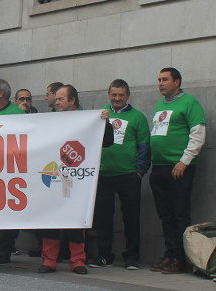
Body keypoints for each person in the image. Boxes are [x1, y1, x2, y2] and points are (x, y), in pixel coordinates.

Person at [38, 84, 113, 275]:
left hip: (79, 179)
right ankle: (49, 260)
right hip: (53, 175)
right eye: (56, 99)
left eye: (61, 99)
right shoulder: (49, 120)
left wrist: (106, 123)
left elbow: (107, 141)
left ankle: (78, 260)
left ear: (73, 101)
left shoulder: (88, 120)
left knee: (76, 221)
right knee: (51, 219)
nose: (57, 102)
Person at [149, 68, 206, 274]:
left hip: (178, 168)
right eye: (159, 80)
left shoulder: (190, 103)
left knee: (180, 214)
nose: (161, 83)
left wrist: (184, 161)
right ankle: (170, 254)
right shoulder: (159, 104)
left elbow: (198, 134)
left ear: (177, 82)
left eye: (165, 80)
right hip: (159, 167)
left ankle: (181, 258)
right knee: (166, 215)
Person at [89, 79, 150, 270]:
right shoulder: (100, 114)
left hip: (128, 175)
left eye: (121, 95)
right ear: (109, 94)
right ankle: (104, 255)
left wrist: (139, 172)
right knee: (103, 218)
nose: (117, 98)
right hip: (104, 175)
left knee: (131, 218)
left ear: (127, 96)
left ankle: (132, 257)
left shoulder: (138, 117)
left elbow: (144, 147)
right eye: (114, 94)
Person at [0, 79, 25, 264]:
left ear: (0, 94)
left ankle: (4, 250)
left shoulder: (18, 114)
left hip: (11, 170)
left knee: (9, 213)